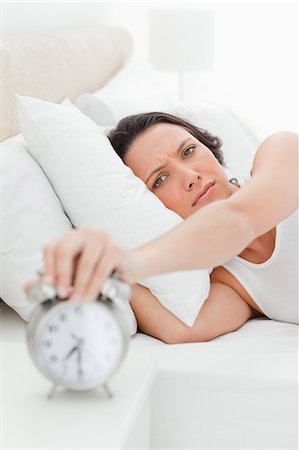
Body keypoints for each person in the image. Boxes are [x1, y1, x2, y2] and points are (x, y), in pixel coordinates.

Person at [41, 112, 298, 343]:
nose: (190, 177)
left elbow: (238, 220)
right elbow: (184, 329)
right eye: (160, 180)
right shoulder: (230, 281)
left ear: (208, 147)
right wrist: (100, 269)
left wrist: (130, 263)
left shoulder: (281, 152)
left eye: (188, 151)